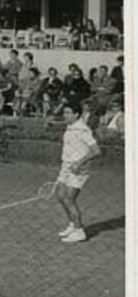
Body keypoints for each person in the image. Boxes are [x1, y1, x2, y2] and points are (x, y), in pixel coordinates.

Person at [52, 101, 102, 244]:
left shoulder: (83, 130)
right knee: (61, 196)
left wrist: (79, 163)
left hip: (79, 168)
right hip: (66, 166)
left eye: (68, 113)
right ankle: (73, 225)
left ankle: (80, 232)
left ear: (76, 114)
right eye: (64, 112)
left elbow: (96, 151)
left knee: (69, 198)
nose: (65, 115)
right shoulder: (71, 126)